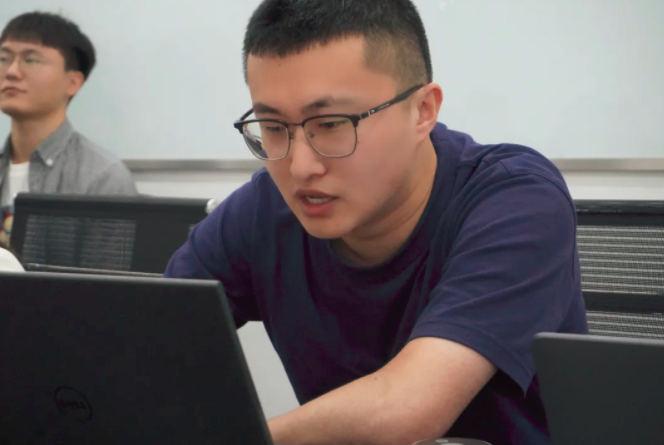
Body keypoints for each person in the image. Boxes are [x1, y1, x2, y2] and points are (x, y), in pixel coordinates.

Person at [165, 1, 587, 444]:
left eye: (331, 124)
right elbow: (147, 342)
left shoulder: (517, 201)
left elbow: (407, 408)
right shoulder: (262, 212)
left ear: (422, 111)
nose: (300, 167)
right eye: (272, 127)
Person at [0, 12, 136, 245]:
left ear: (73, 82)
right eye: (3, 58)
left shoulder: (102, 178)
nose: (12, 71)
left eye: (30, 60)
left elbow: (107, 268)